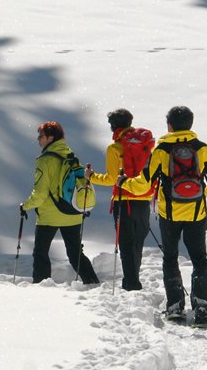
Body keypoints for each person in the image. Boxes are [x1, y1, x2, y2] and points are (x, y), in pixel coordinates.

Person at [118, 106, 207, 326]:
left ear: (169, 125)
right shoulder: (202, 149)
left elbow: (143, 184)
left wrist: (124, 183)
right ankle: (202, 309)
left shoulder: (162, 150)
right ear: (190, 124)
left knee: (170, 258)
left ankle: (175, 307)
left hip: (169, 214)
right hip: (197, 213)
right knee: (199, 259)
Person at [21, 121, 100, 285]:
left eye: (41, 136)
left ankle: (41, 286)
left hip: (50, 215)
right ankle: (92, 283)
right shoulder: (70, 155)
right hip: (73, 212)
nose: (38, 139)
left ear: (50, 138)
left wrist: (25, 206)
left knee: (41, 252)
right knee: (75, 252)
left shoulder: (45, 160)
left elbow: (41, 193)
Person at [85, 109, 153, 291]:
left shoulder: (115, 148)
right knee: (137, 242)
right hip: (144, 199)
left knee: (125, 243)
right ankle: (134, 279)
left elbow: (111, 179)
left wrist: (91, 177)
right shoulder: (145, 144)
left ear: (113, 126)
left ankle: (131, 283)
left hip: (123, 201)